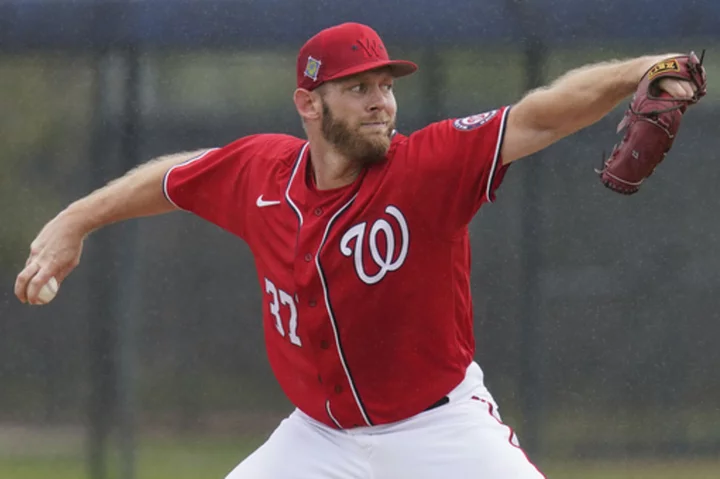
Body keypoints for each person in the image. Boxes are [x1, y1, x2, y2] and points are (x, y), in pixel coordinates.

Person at [15, 22, 697, 479]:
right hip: (317, 439)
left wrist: (642, 68)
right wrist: (77, 218)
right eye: (358, 88)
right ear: (308, 105)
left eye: (386, 86)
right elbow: (169, 179)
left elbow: (544, 111)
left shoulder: (427, 168)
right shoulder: (261, 174)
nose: (381, 103)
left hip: (439, 429)